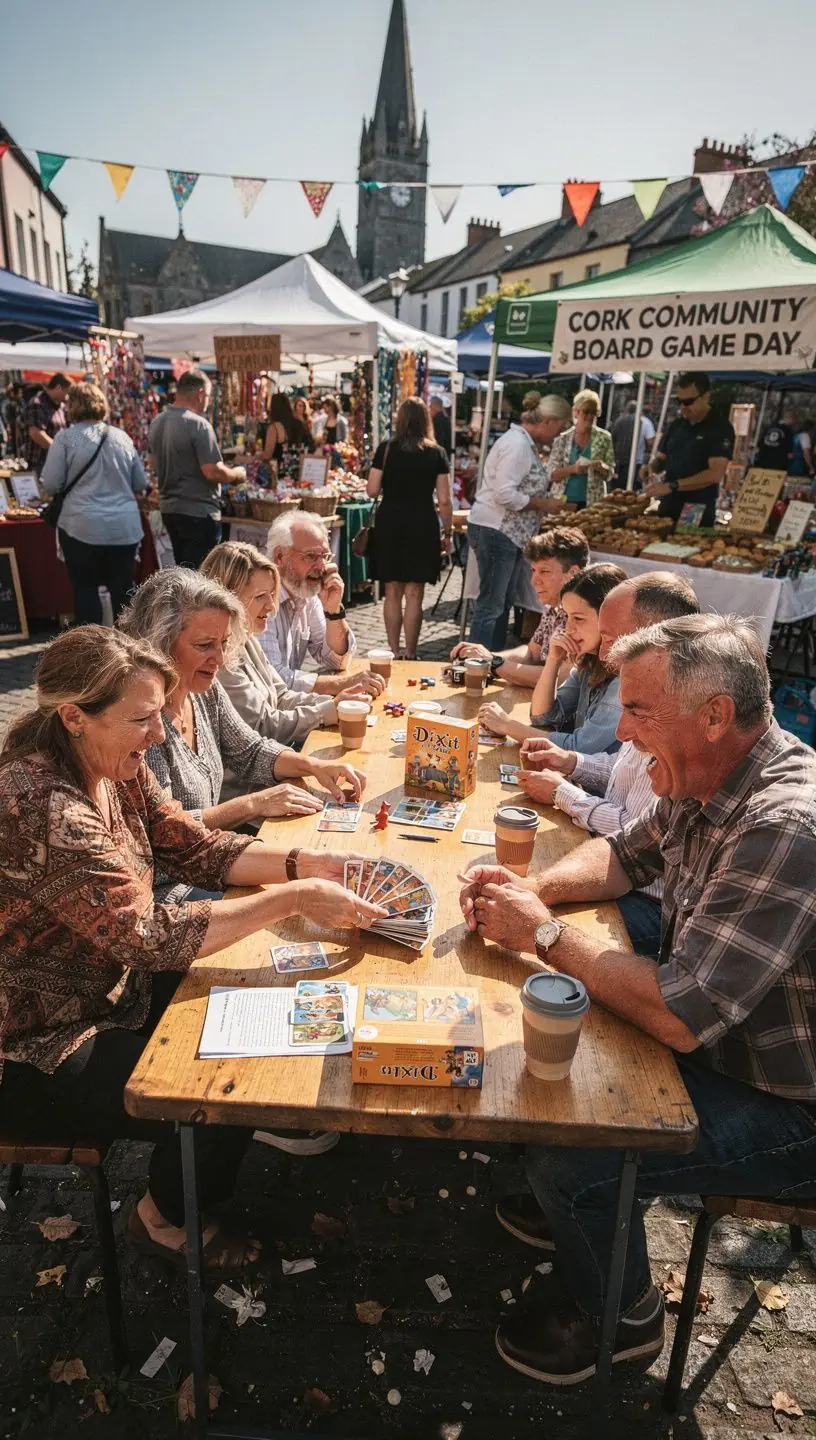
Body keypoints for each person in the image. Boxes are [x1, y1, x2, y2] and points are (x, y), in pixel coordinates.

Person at [460, 613, 816, 1386]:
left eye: (638, 711)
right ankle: (580, 1220)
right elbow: (623, 856)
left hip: (789, 1105)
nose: (620, 732)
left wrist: (545, 935)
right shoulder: (709, 768)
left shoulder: (786, 824)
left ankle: (620, 1319)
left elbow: (681, 1017)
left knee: (570, 1148)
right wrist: (532, 888)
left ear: (715, 714)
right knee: (546, 1072)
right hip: (725, 1038)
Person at [0, 627, 385, 1274]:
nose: (159, 734)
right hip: (42, 1044)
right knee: (227, 1084)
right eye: (143, 718)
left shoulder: (113, 763)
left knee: (257, 1024)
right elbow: (145, 936)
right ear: (73, 717)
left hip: (115, 992)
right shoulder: (38, 803)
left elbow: (191, 845)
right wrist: (291, 898)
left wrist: (304, 860)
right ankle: (165, 1220)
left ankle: (184, 1190)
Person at [516, 572, 701, 960]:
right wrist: (572, 762)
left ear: (656, 638)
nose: (603, 652)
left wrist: (564, 792)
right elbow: (621, 773)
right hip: (625, 874)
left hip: (651, 907)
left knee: (531, 929)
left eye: (613, 638)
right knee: (523, 885)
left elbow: (632, 835)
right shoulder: (647, 689)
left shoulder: (679, 713)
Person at [120, 568, 369, 846]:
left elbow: (249, 751)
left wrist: (315, 766)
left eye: (224, 643)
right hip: (177, 878)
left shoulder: (204, 691)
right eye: (205, 645)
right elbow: (165, 828)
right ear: (160, 643)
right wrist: (255, 804)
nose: (221, 657)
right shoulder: (142, 720)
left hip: (210, 856)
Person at [201, 541, 375, 748]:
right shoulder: (219, 658)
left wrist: (336, 703)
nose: (272, 606)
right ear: (226, 599)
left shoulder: (246, 639)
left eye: (272, 595)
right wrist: (329, 709)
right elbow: (264, 725)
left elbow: (281, 696)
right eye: (260, 597)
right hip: (253, 774)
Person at [479, 563, 626, 753]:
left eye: (578, 618)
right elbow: (543, 716)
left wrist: (508, 726)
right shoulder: (590, 660)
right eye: (567, 617)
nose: (569, 628)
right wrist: (553, 661)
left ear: (609, 618)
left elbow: (580, 747)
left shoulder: (625, 674)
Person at [467, 392, 571, 649]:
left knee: (500, 602)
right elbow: (505, 494)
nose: (558, 435)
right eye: (559, 427)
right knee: (491, 604)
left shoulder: (523, 443)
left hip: (507, 534)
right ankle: (472, 663)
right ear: (547, 421)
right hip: (497, 530)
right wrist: (542, 504)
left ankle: (492, 660)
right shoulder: (517, 445)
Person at [39, 382, 147, 626]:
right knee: (123, 591)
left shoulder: (65, 439)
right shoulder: (122, 437)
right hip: (123, 527)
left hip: (81, 525)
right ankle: (129, 650)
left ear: (73, 406)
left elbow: (51, 484)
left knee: (85, 589)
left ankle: (92, 652)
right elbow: (140, 482)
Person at [260, 512, 382, 698]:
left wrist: (333, 610)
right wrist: (341, 684)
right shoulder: (260, 597)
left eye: (324, 556)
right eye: (310, 556)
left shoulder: (305, 592)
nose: (321, 566)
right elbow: (272, 679)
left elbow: (337, 661)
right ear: (279, 556)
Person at [366, 398, 453, 659]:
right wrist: (447, 532)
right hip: (422, 524)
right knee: (415, 593)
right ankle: (411, 654)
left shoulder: (386, 449)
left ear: (399, 420)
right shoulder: (436, 453)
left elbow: (371, 490)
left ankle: (392, 651)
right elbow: (445, 499)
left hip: (390, 523)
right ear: (426, 420)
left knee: (392, 591)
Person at [450, 528, 589, 688]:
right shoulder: (554, 606)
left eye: (544, 571)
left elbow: (562, 678)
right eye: (533, 570)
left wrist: (494, 664)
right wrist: (486, 658)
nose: (534, 581)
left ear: (572, 573)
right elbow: (532, 654)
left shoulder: (581, 615)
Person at [149, 370, 246, 569]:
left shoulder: (158, 421)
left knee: (185, 573)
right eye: (208, 397)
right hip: (198, 512)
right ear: (200, 394)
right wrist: (237, 474)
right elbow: (212, 471)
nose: (207, 402)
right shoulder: (199, 425)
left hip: (170, 509)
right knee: (202, 578)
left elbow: (152, 464)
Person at [642, 372, 735, 527]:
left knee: (686, 545)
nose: (683, 407)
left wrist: (673, 486)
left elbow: (714, 474)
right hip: (668, 503)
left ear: (706, 397)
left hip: (696, 505)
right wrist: (650, 467)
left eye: (689, 401)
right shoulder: (677, 425)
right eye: (679, 401)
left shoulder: (720, 427)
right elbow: (661, 459)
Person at [547, 389, 614, 509]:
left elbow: (609, 475)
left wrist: (602, 467)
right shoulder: (562, 439)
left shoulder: (604, 438)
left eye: (593, 412)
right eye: (586, 412)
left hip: (593, 504)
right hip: (563, 502)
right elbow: (552, 475)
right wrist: (573, 469)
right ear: (576, 412)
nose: (590, 416)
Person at [23, 372, 70, 474]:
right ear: (58, 387)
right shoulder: (37, 403)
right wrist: (58, 449)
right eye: (67, 392)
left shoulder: (60, 406)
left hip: (56, 462)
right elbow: (36, 433)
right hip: (41, 464)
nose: (68, 397)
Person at [262, 393, 313, 480]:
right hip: (301, 473)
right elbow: (310, 445)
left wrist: (254, 458)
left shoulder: (274, 428)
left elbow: (267, 455)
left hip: (281, 475)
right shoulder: (299, 424)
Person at [611, 399, 655, 484]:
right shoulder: (645, 422)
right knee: (632, 491)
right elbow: (650, 442)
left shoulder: (619, 421)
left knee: (619, 489)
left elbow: (613, 438)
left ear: (627, 410)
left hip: (619, 462)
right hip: (637, 462)